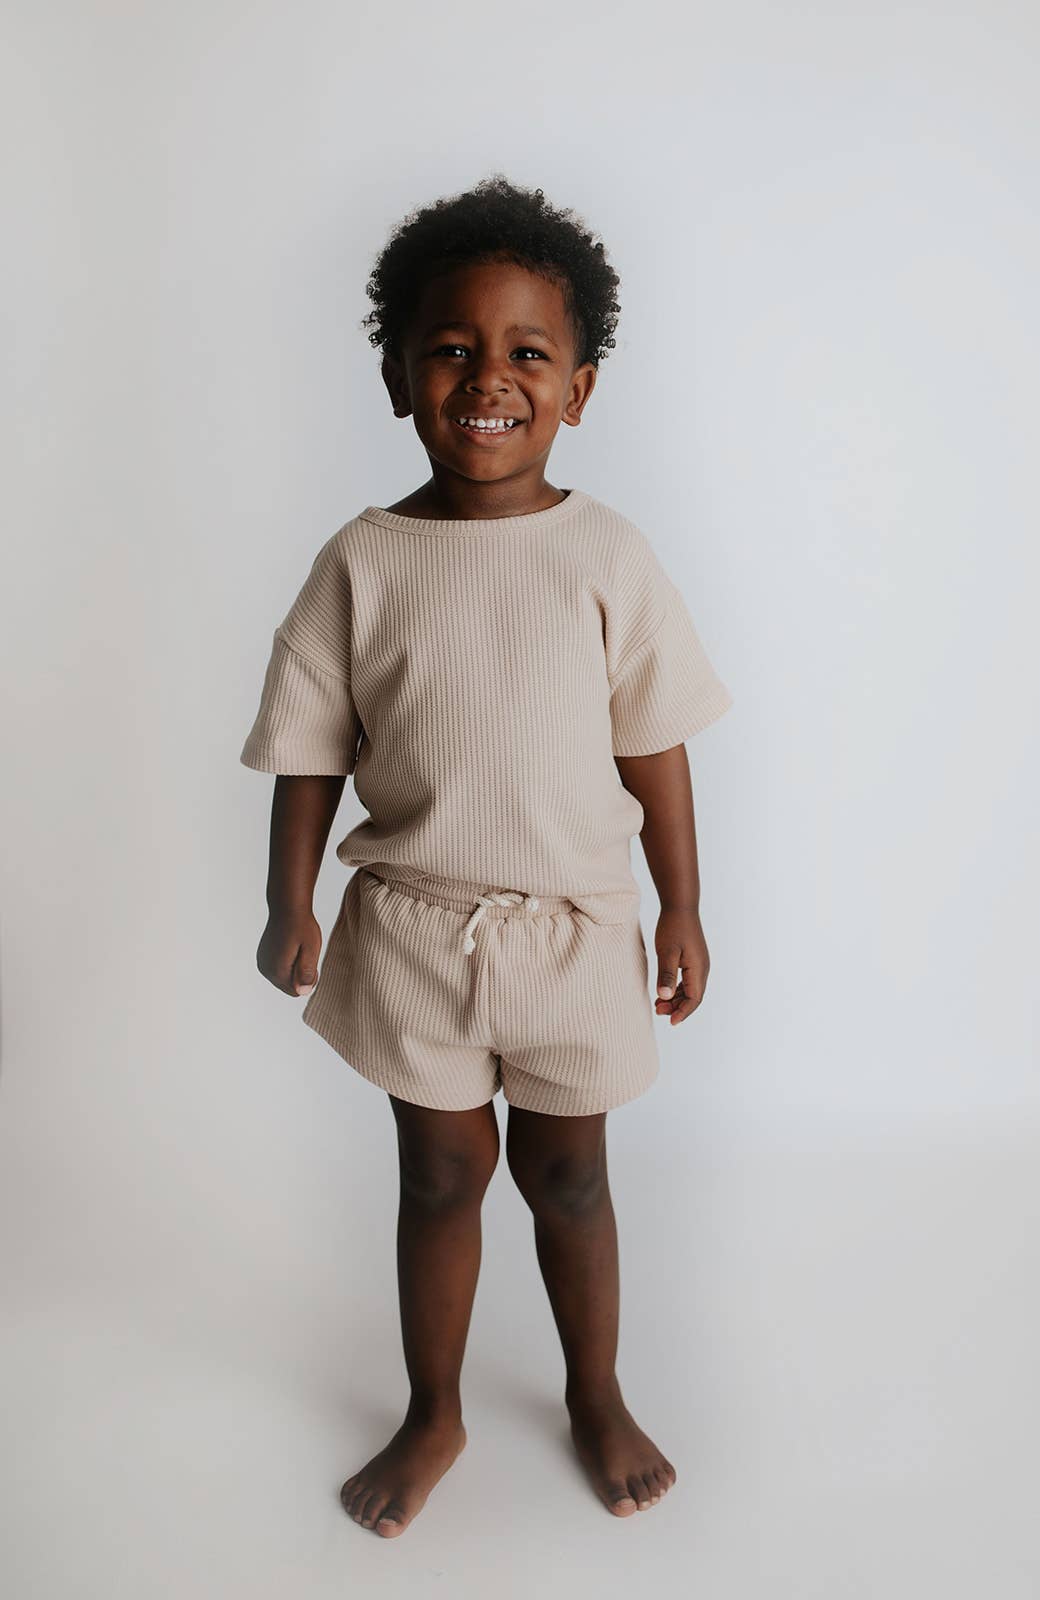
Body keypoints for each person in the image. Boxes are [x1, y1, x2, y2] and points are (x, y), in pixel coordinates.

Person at [239, 174, 733, 1538]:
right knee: (440, 1176)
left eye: (528, 352)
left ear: (580, 387)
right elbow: (310, 746)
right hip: (414, 929)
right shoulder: (363, 560)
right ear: (398, 376)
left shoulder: (607, 554)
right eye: (451, 348)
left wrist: (684, 905)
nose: (489, 378)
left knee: (569, 1176)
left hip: (575, 935)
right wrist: (289, 900)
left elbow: (656, 744)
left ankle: (595, 1392)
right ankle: (434, 1410)